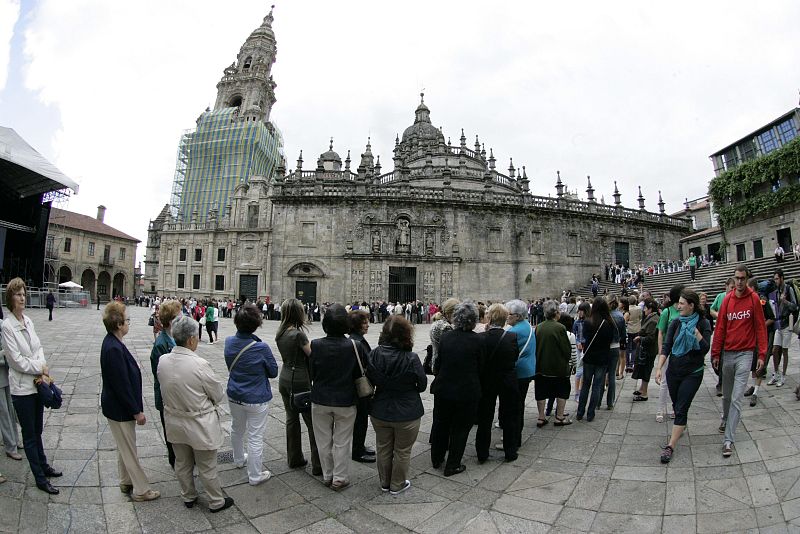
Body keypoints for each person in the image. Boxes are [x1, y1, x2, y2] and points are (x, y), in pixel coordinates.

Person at [158, 315, 234, 512]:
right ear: (192, 339)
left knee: (182, 462)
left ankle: (188, 496)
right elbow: (217, 394)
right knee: (207, 465)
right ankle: (216, 500)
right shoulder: (199, 364)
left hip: (174, 421)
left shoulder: (163, 361)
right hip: (199, 422)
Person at [2, 278, 62, 495]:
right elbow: (15, 360)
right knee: (29, 433)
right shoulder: (7, 326)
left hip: (36, 384)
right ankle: (39, 477)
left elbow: (38, 347)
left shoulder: (28, 321)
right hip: (22, 389)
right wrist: (40, 366)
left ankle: (44, 465)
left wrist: (41, 365)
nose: (22, 297)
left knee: (38, 430)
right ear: (10, 298)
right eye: (18, 294)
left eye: (24, 293)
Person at [100, 301, 160, 502]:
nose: (128, 323)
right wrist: (137, 412)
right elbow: (121, 386)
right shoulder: (113, 349)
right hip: (120, 409)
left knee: (124, 446)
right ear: (118, 324)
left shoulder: (113, 343)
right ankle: (141, 490)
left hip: (117, 407)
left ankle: (125, 480)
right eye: (127, 320)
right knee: (129, 449)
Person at [711, 264, 768, 458]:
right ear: (733, 279)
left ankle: (728, 440)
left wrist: (761, 354)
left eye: (743, 278)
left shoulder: (753, 299)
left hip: (746, 354)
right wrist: (715, 353)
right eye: (737, 278)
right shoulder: (727, 300)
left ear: (747, 278)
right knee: (727, 395)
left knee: (736, 397)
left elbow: (761, 328)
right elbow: (720, 328)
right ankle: (725, 418)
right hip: (728, 353)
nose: (740, 282)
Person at [309, 303, 367, 490]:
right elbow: (361, 373)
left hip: (320, 399)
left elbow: (311, 372)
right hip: (346, 400)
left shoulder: (315, 345)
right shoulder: (355, 345)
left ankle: (327, 475)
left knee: (323, 440)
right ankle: (339, 478)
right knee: (342, 441)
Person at [366, 315, 426, 494]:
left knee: (383, 448)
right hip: (407, 412)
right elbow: (422, 385)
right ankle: (397, 484)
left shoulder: (375, 353)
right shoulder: (412, 358)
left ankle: (385, 483)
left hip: (380, 410)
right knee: (403, 450)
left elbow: (370, 379)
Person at [655, 289, 712, 463]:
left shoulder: (703, 323)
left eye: (681, 303)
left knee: (681, 408)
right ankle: (681, 424)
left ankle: (670, 446)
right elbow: (667, 346)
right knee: (677, 402)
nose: (678, 306)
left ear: (691, 305)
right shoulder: (676, 323)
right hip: (674, 371)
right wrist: (659, 368)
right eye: (678, 303)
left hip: (692, 372)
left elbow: (705, 349)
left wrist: (696, 334)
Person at [224, 304, 278, 486]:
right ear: (256, 325)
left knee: (236, 428)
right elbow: (273, 372)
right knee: (255, 436)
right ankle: (255, 476)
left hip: (234, 394)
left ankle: (239, 459)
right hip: (256, 398)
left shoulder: (229, 341)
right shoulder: (261, 347)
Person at [430, 301, 484, 476]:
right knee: (461, 428)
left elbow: (438, 362)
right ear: (474, 320)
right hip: (466, 392)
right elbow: (482, 367)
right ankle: (452, 465)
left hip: (443, 389)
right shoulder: (478, 341)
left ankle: (437, 458)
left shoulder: (446, 337)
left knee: (441, 423)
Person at [275, 299, 321, 475]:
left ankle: (294, 458)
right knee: (312, 422)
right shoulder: (298, 335)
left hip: (285, 378)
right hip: (300, 380)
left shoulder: (280, 333)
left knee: (291, 419)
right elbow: (312, 355)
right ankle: (318, 464)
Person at [475, 303, 519, 463]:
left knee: (485, 417)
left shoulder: (480, 338)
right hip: (507, 380)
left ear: (490, 317)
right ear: (504, 319)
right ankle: (510, 452)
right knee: (508, 416)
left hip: (486, 380)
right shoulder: (511, 337)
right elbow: (514, 357)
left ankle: (482, 453)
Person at [150, 299, 181, 469]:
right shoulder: (161, 344)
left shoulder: (176, 338)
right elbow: (160, 374)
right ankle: (174, 460)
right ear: (170, 321)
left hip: (177, 396)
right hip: (167, 398)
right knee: (170, 431)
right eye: (179, 316)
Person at [576, 298, 615, 422]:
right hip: (602, 358)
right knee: (597, 386)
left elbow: (586, 339)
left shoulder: (588, 322)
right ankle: (591, 413)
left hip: (589, 357)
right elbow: (609, 341)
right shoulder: (609, 323)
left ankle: (580, 412)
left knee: (586, 385)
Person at [534, 301, 573, 426]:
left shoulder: (539, 327)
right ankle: (559, 417)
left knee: (540, 391)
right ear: (556, 312)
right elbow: (566, 349)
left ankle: (541, 417)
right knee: (562, 390)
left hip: (541, 366)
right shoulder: (560, 327)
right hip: (558, 367)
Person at [504, 299, 536, 448]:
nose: (507, 317)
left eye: (509, 314)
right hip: (527, 370)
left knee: (514, 407)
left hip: (518, 372)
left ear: (517, 316)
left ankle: (514, 439)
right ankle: (516, 437)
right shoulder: (527, 326)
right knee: (519, 404)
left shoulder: (514, 331)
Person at [347, 309, 376, 463]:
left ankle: (360, 447)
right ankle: (357, 451)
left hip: (356, 388)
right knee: (360, 420)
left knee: (361, 419)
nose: (367, 325)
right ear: (357, 325)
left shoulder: (355, 339)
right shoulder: (357, 342)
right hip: (360, 389)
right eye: (364, 323)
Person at [655, 284, 684, 422]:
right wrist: (661, 351)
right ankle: (660, 409)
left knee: (678, 382)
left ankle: (674, 408)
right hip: (669, 350)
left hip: (682, 352)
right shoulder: (667, 312)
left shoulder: (686, 310)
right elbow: (660, 332)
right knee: (665, 382)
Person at [743, 280, 775, 407]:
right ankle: (753, 386)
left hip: (763, 336)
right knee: (752, 364)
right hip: (752, 338)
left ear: (754, 289)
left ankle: (756, 392)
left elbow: (771, 318)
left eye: (748, 289)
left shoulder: (762, 301)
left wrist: (760, 327)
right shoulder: (749, 301)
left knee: (760, 365)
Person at [767, 269, 797, 388]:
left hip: (787, 322)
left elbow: (795, 306)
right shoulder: (777, 291)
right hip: (779, 323)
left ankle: (783, 375)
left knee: (784, 350)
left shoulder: (788, 289)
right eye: (774, 279)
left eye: (777, 278)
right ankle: (776, 373)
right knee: (774, 350)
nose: (776, 281)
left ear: (782, 278)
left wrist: (785, 301)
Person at [709, 278, 735, 397]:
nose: (733, 290)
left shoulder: (736, 298)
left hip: (731, 333)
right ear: (726, 286)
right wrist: (718, 315)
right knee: (716, 357)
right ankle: (721, 378)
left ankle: (722, 383)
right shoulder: (720, 297)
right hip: (720, 331)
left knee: (726, 359)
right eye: (731, 287)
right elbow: (711, 309)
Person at [631, 299, 660, 401]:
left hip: (648, 350)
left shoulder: (653, 320)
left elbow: (651, 338)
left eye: (646, 309)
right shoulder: (651, 317)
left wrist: (639, 338)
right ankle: (642, 389)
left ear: (650, 309)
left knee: (646, 370)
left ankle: (644, 393)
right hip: (646, 349)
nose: (644, 311)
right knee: (643, 370)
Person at [429, 298, 458, 372]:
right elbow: (451, 347)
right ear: (449, 313)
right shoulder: (445, 326)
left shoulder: (438, 323)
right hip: (443, 365)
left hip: (437, 362)